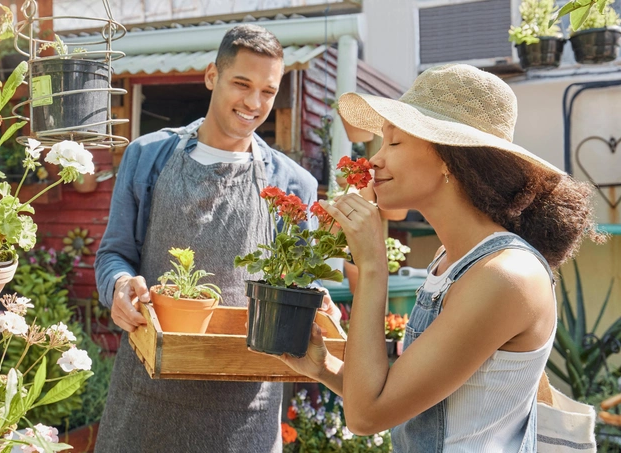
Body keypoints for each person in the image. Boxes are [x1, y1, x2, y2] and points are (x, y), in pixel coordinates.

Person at [279, 64, 605, 452]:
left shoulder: (505, 275)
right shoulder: (452, 261)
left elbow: (366, 417)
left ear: (450, 158)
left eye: (394, 144)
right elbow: (399, 397)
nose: (375, 161)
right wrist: (324, 368)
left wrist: (372, 267)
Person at [93, 24, 336, 452]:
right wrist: (118, 286)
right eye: (242, 84)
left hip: (245, 409)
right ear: (212, 76)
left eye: (267, 90)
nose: (253, 102)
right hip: (147, 396)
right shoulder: (147, 157)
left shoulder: (293, 185)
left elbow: (295, 284)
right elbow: (115, 254)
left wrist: (315, 301)